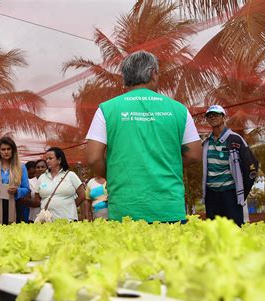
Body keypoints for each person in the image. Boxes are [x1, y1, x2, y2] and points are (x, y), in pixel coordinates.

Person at [86, 50, 201, 223]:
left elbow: (93, 158)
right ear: (154, 73)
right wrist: (164, 164)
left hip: (125, 209)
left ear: (125, 76)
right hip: (168, 208)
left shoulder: (107, 109)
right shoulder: (178, 109)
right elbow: (194, 154)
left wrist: (116, 174)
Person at [202, 105, 258, 226]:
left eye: (216, 115)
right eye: (209, 116)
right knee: (214, 232)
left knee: (234, 231)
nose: (213, 118)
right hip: (211, 195)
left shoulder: (235, 139)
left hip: (230, 194)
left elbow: (252, 167)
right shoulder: (207, 142)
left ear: (223, 117)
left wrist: (241, 192)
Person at [0, 136, 30, 225]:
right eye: (3, 149)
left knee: (13, 234)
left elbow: (26, 189)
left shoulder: (21, 167)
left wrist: (17, 190)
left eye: (8, 149)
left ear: (13, 150)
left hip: (15, 205)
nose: (6, 152)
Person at [35, 147, 85, 221]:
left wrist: (69, 207)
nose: (47, 161)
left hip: (68, 219)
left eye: (50, 158)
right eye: (46, 159)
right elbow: (37, 197)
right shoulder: (42, 177)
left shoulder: (70, 175)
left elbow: (82, 195)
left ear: (59, 160)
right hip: (47, 221)